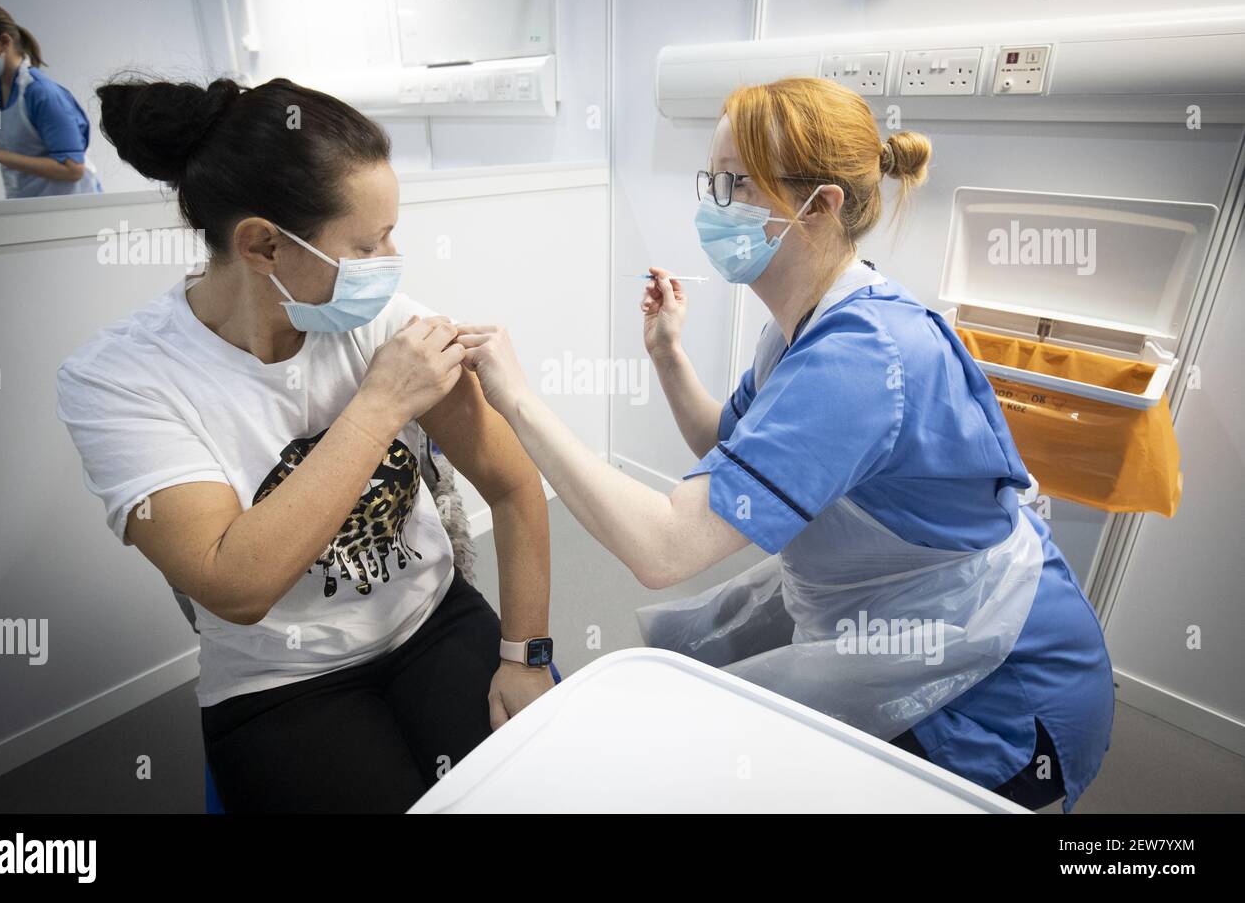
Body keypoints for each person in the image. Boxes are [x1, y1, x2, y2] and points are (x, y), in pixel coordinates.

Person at [456, 76, 1115, 812]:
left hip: (994, 686)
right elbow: (729, 449)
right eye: (712, 181)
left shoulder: (862, 359)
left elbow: (665, 548)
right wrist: (669, 355)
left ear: (820, 206)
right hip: (897, 616)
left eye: (735, 185)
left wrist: (515, 399)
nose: (712, 206)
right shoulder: (804, 326)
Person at [55, 76, 554, 812]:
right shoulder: (121, 381)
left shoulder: (383, 320)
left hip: (431, 620)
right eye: (366, 242)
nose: (390, 260)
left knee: (533, 792)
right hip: (279, 684)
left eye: (391, 232)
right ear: (262, 245)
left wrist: (526, 655)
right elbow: (237, 584)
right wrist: (379, 404)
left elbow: (513, 487)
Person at [0, 0, 100, 197]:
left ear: (3, 42)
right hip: (29, 200)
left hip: (70, 205)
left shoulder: (42, 93)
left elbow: (72, 169)